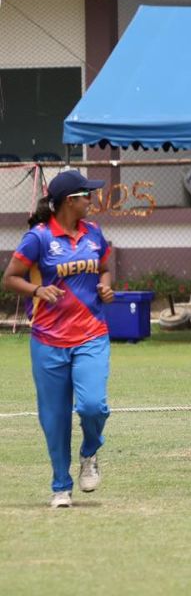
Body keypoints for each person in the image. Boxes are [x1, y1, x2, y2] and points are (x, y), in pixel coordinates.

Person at [3, 170, 113, 508]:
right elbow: (10, 278)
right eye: (86, 194)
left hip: (92, 334)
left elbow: (105, 266)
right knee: (54, 417)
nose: (92, 199)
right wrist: (37, 289)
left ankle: (89, 453)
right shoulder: (37, 238)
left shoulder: (94, 233)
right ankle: (60, 486)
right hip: (48, 339)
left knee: (93, 405)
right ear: (70, 201)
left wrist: (106, 285)